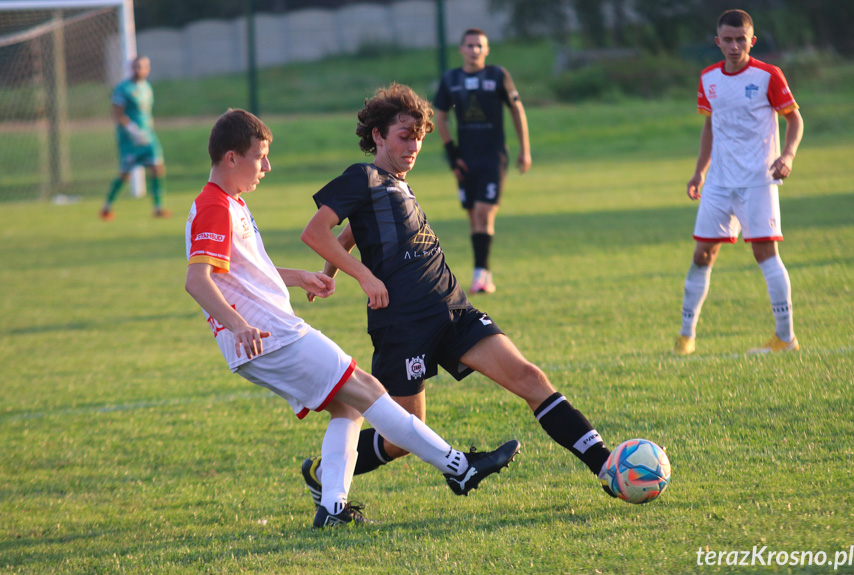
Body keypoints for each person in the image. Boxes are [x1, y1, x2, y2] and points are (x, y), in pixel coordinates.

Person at [184, 109, 520, 529]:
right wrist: (239, 325)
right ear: (231, 158)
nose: (267, 167)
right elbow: (197, 280)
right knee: (368, 389)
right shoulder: (213, 206)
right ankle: (459, 467)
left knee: (347, 407)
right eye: (260, 157)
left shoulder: (231, 203)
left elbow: (239, 272)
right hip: (271, 337)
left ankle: (333, 508)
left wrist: (297, 276)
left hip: (264, 340)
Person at [300, 84, 618, 506]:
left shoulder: (395, 184)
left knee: (530, 378)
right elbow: (315, 231)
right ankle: (327, 471)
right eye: (404, 135)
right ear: (377, 135)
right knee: (404, 434)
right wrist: (362, 277)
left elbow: (355, 230)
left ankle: (607, 466)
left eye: (419, 136)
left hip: (452, 310)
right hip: (403, 324)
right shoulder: (362, 176)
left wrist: (330, 271)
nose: (414, 145)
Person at [674, 9, 804, 356]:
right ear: (718, 42)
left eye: (740, 40)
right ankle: (686, 337)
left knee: (765, 253)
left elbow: (795, 120)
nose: (734, 46)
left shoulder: (768, 75)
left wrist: (787, 156)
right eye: (727, 40)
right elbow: (709, 127)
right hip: (718, 183)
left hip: (758, 180)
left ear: (752, 41)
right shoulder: (708, 78)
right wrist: (700, 171)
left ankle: (785, 337)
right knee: (702, 254)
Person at [433, 28, 531, 294]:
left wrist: (525, 149)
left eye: (480, 45)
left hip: (493, 158)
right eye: (470, 45)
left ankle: (481, 275)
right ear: (461, 49)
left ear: (487, 50)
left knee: (483, 212)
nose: (475, 50)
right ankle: (483, 272)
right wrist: (452, 153)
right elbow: (439, 116)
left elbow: (516, 109)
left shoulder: (497, 75)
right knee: (473, 217)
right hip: (465, 159)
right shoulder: (451, 79)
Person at [100, 56, 170, 220]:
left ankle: (158, 207)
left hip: (148, 136)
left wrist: (147, 129)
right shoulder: (123, 88)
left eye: (143, 67)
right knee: (125, 174)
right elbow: (117, 113)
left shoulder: (147, 87)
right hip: (129, 139)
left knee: (157, 167)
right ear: (131, 68)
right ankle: (107, 207)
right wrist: (132, 130)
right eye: (136, 67)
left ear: (148, 68)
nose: (140, 70)